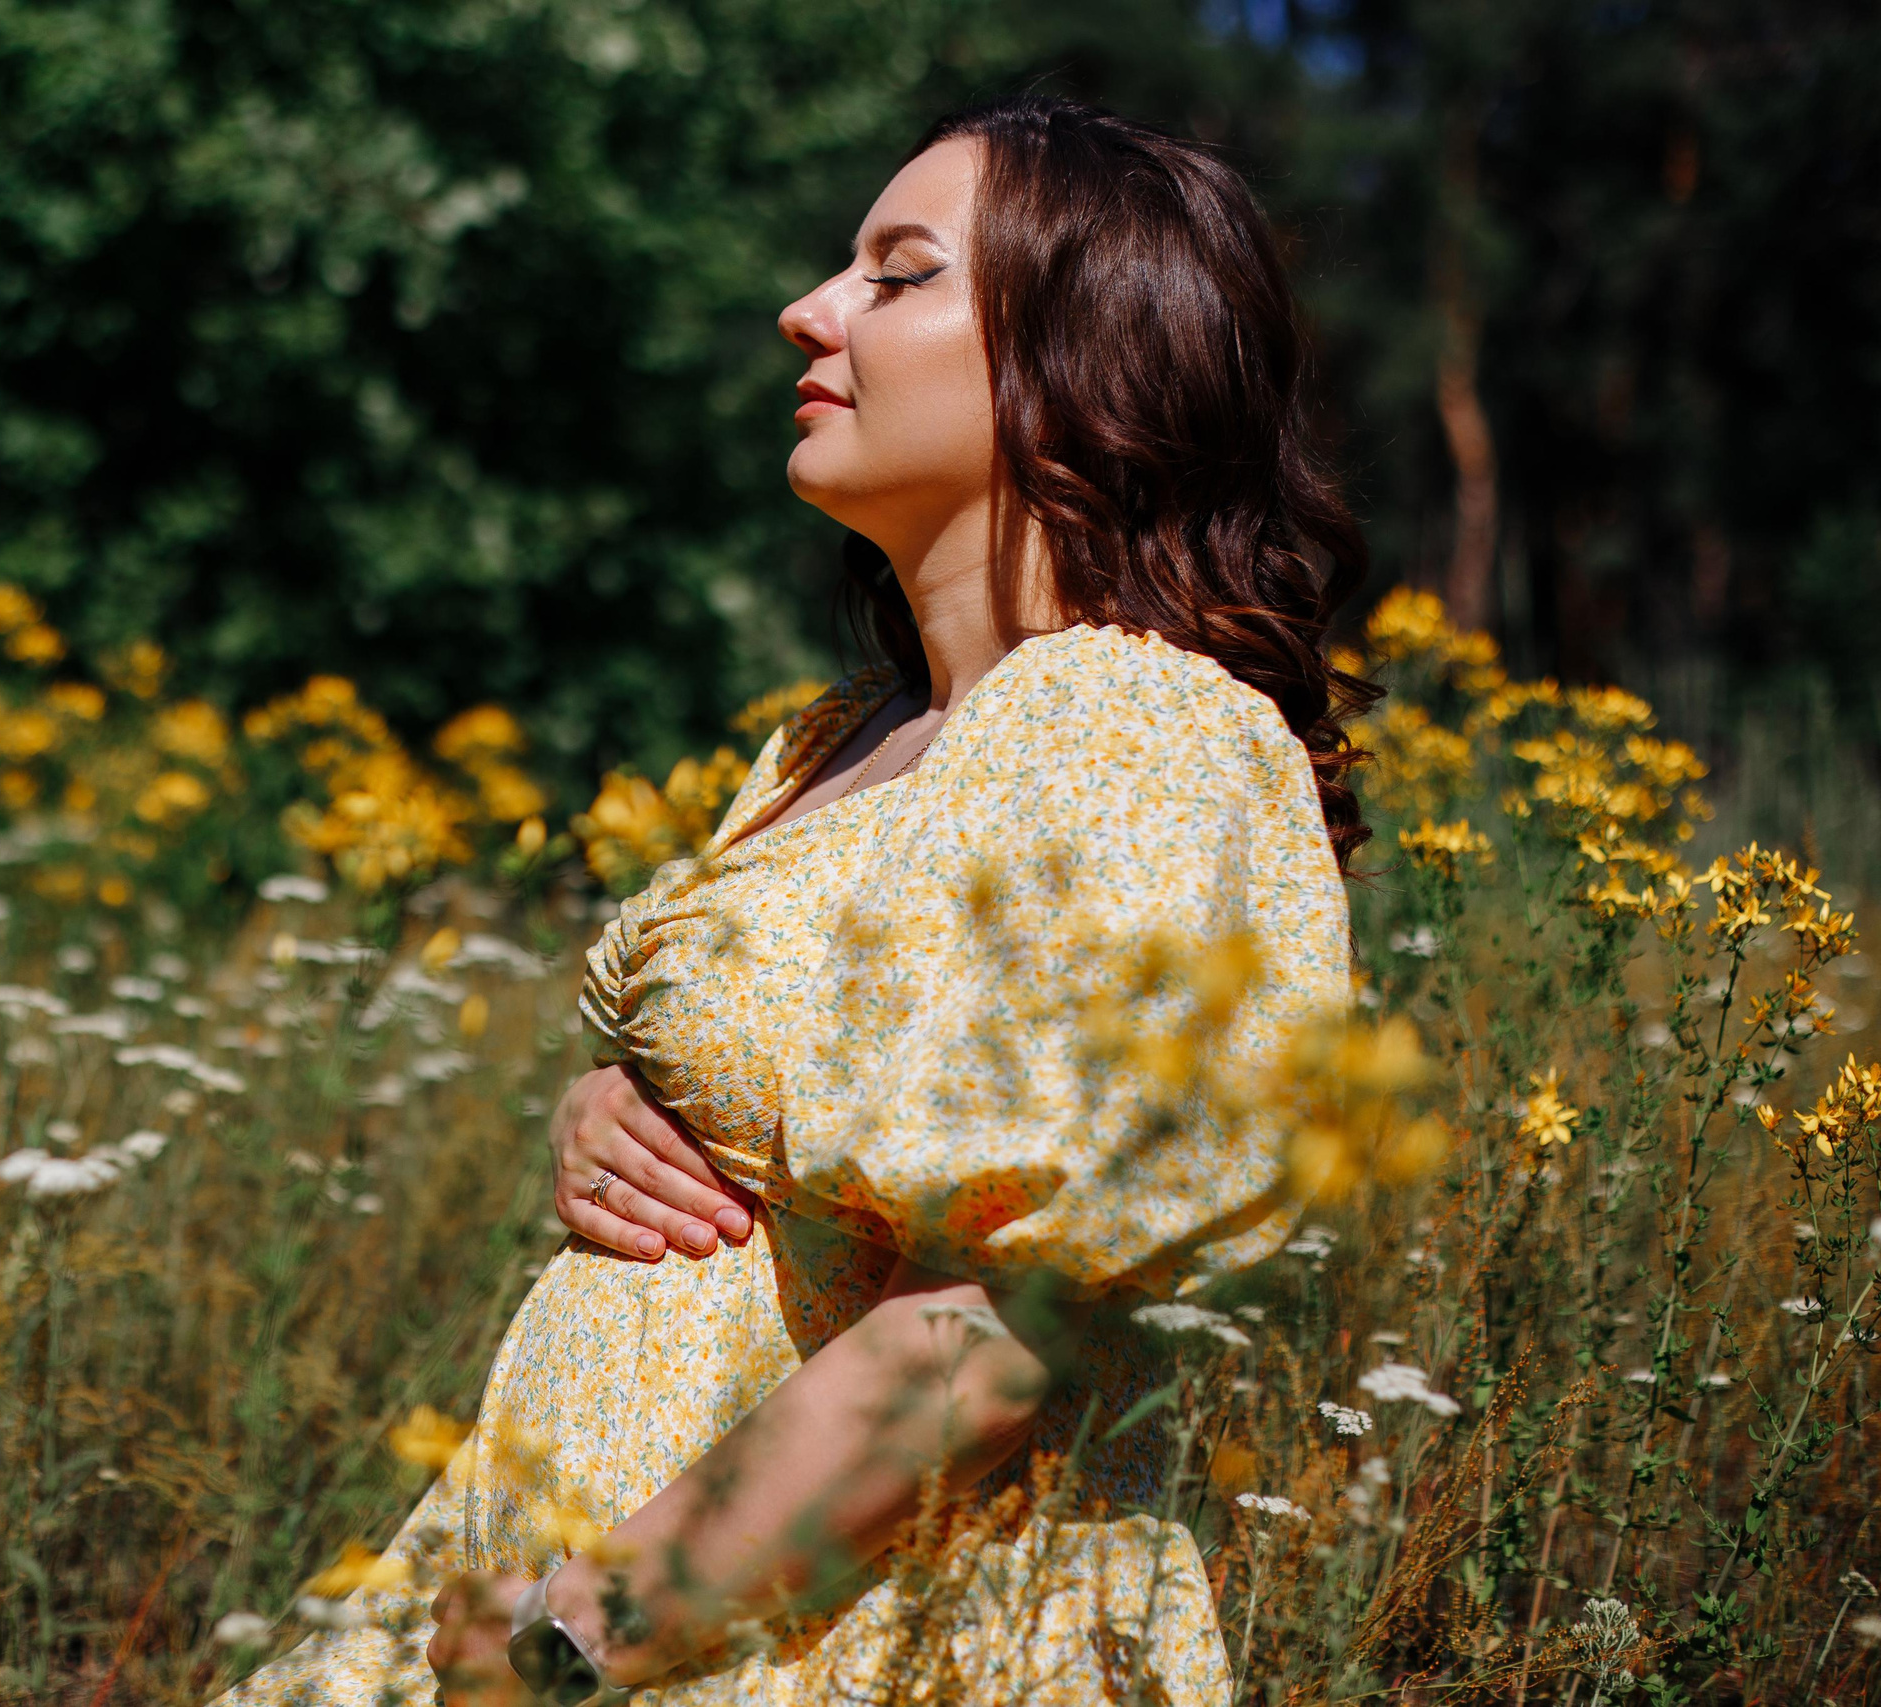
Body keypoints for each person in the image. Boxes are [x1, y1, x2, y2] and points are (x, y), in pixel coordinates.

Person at [220, 90, 1370, 1707]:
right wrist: (612, 1108)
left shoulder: (1132, 727)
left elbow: (1001, 1318)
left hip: (826, 1635)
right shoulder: (840, 739)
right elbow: (803, 1127)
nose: (808, 311)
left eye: (898, 275)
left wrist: (587, 1632)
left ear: (1087, 360)